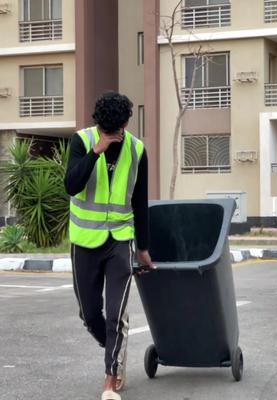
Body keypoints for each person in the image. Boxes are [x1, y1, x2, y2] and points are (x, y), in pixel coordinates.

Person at [64, 91, 155, 400]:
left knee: (116, 314)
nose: (111, 136)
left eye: (115, 131)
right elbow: (71, 185)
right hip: (84, 241)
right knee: (90, 314)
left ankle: (110, 379)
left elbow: (140, 203)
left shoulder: (137, 150)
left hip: (120, 240)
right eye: (105, 130)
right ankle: (115, 348)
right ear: (97, 124)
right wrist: (96, 152)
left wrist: (142, 248)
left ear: (126, 124)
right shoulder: (81, 141)